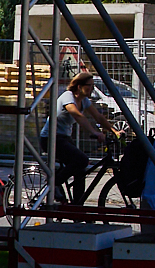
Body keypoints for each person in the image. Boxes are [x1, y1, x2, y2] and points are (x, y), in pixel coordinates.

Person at [43, 71, 111, 203]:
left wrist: (114, 130)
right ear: (79, 86)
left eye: (93, 86)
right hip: (50, 138)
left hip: (64, 138)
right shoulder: (68, 97)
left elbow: (98, 117)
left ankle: (77, 206)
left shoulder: (83, 100)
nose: (92, 89)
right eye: (89, 85)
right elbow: (78, 116)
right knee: (82, 160)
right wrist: (95, 132)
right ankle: (54, 184)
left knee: (81, 169)